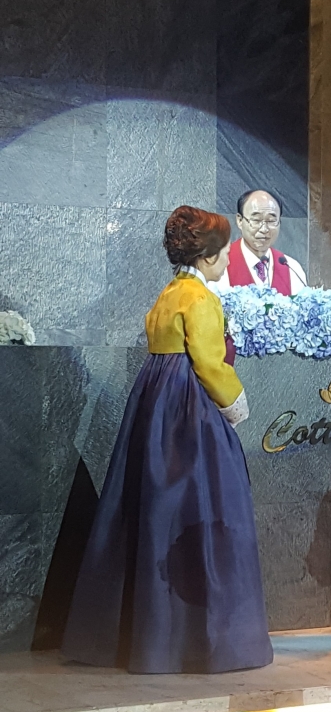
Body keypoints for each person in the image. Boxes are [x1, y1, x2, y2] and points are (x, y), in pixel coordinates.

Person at [62, 206, 273, 674]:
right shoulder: (201, 298)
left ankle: (149, 635)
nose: (227, 260)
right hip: (189, 407)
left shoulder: (168, 294)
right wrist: (236, 405)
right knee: (207, 501)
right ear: (209, 256)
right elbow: (210, 362)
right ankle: (201, 639)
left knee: (155, 505)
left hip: (154, 401)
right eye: (223, 253)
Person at [212, 189, 307, 295]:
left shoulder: (292, 268)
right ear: (240, 221)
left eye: (271, 221)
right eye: (256, 220)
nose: (264, 229)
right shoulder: (217, 264)